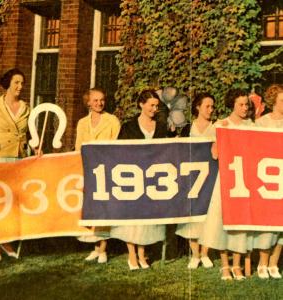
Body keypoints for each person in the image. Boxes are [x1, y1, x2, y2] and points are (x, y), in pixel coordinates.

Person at [110, 89, 172, 270]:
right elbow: (119, 152)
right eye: (151, 105)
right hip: (132, 177)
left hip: (151, 178)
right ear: (141, 105)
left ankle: (142, 254)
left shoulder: (161, 126)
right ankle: (132, 255)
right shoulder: (128, 126)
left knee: (146, 218)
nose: (154, 109)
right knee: (132, 217)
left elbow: (165, 151)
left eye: (156, 106)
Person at [200, 89, 253, 280]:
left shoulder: (251, 125)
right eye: (241, 104)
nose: (245, 108)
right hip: (226, 179)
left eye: (247, 104)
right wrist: (222, 137)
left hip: (243, 180)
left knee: (240, 222)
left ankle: (237, 265)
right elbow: (214, 153)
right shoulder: (221, 124)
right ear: (233, 104)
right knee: (223, 221)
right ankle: (225, 266)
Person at [0, 68, 31, 261]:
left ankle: (6, 241)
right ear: (8, 84)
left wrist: (35, 148)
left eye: (22, 83)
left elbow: (30, 134)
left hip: (18, 159)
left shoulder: (26, 107)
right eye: (16, 83)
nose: (20, 87)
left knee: (13, 203)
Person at [75, 87, 120, 264]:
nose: (99, 103)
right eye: (95, 100)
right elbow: (79, 146)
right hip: (88, 168)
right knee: (91, 208)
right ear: (88, 102)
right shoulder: (82, 123)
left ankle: (103, 249)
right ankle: (95, 247)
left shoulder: (112, 120)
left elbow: (116, 144)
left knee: (103, 208)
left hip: (105, 168)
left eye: (102, 100)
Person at [176, 93, 215, 269]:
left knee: (209, 216)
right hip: (190, 179)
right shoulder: (187, 128)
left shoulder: (217, 127)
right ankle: (195, 254)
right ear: (198, 107)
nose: (211, 110)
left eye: (212, 106)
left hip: (210, 179)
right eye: (207, 106)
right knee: (190, 215)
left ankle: (205, 253)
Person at [254, 84, 283, 279]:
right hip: (268, 180)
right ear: (273, 101)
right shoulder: (262, 122)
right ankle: (262, 262)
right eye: (282, 100)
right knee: (267, 222)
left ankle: (274, 263)